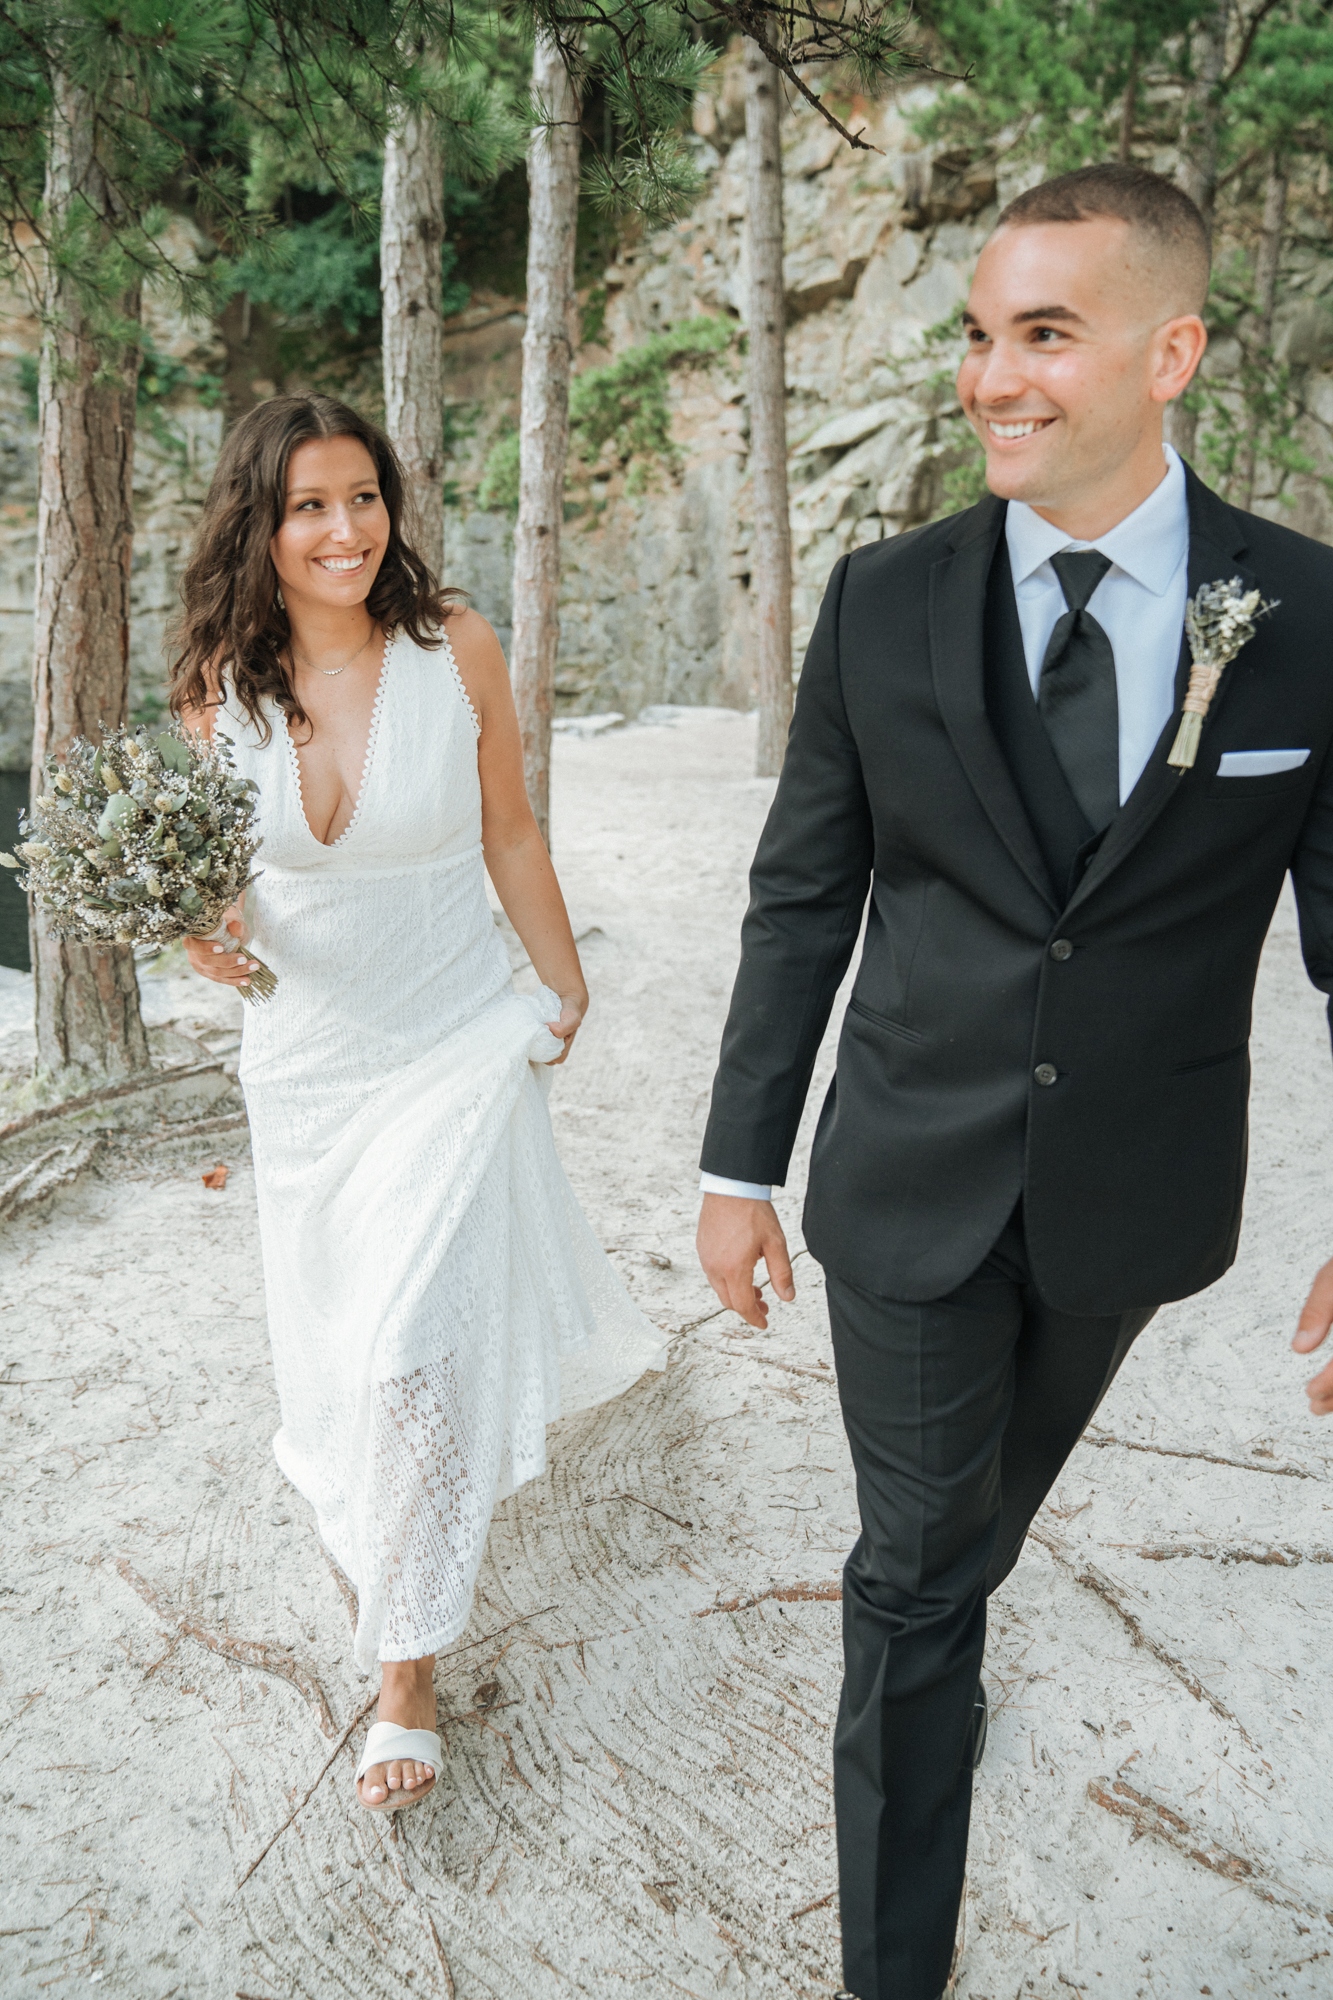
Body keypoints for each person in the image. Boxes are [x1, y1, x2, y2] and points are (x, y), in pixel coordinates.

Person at [695, 163, 1333, 2000]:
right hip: (904, 1177)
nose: (994, 377)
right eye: (980, 336)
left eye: (1046, 334)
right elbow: (806, 892)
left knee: (960, 1552)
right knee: (913, 1572)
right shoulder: (882, 601)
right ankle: (897, 1970)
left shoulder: (1303, 613)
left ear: (1173, 351)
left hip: (1132, 1203)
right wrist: (739, 1164)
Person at [172, 393, 665, 1816]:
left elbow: (512, 825)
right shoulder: (218, 687)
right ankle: (379, 1527)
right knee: (339, 1343)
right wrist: (203, 934)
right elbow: (228, 888)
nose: (345, 530)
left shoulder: (458, 650)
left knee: (406, 1348)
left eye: (364, 498)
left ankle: (407, 1666)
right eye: (310, 506)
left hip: (454, 1038)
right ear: (260, 526)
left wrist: (563, 988)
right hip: (308, 1069)